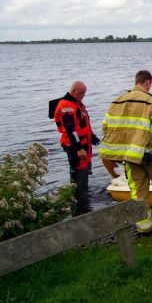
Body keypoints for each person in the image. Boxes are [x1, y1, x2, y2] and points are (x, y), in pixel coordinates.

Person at [99, 70, 152, 233]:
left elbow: (106, 127)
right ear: (148, 83)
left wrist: (120, 149)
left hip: (130, 157)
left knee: (138, 192)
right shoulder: (151, 101)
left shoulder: (116, 102)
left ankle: (144, 227)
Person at [53, 81, 99, 216]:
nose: (83, 95)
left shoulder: (77, 104)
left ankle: (83, 203)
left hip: (84, 145)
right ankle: (80, 208)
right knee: (78, 175)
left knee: (84, 174)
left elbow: (82, 124)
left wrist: (93, 136)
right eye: (81, 93)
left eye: (85, 93)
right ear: (73, 90)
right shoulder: (66, 106)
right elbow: (70, 129)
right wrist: (79, 148)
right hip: (76, 148)